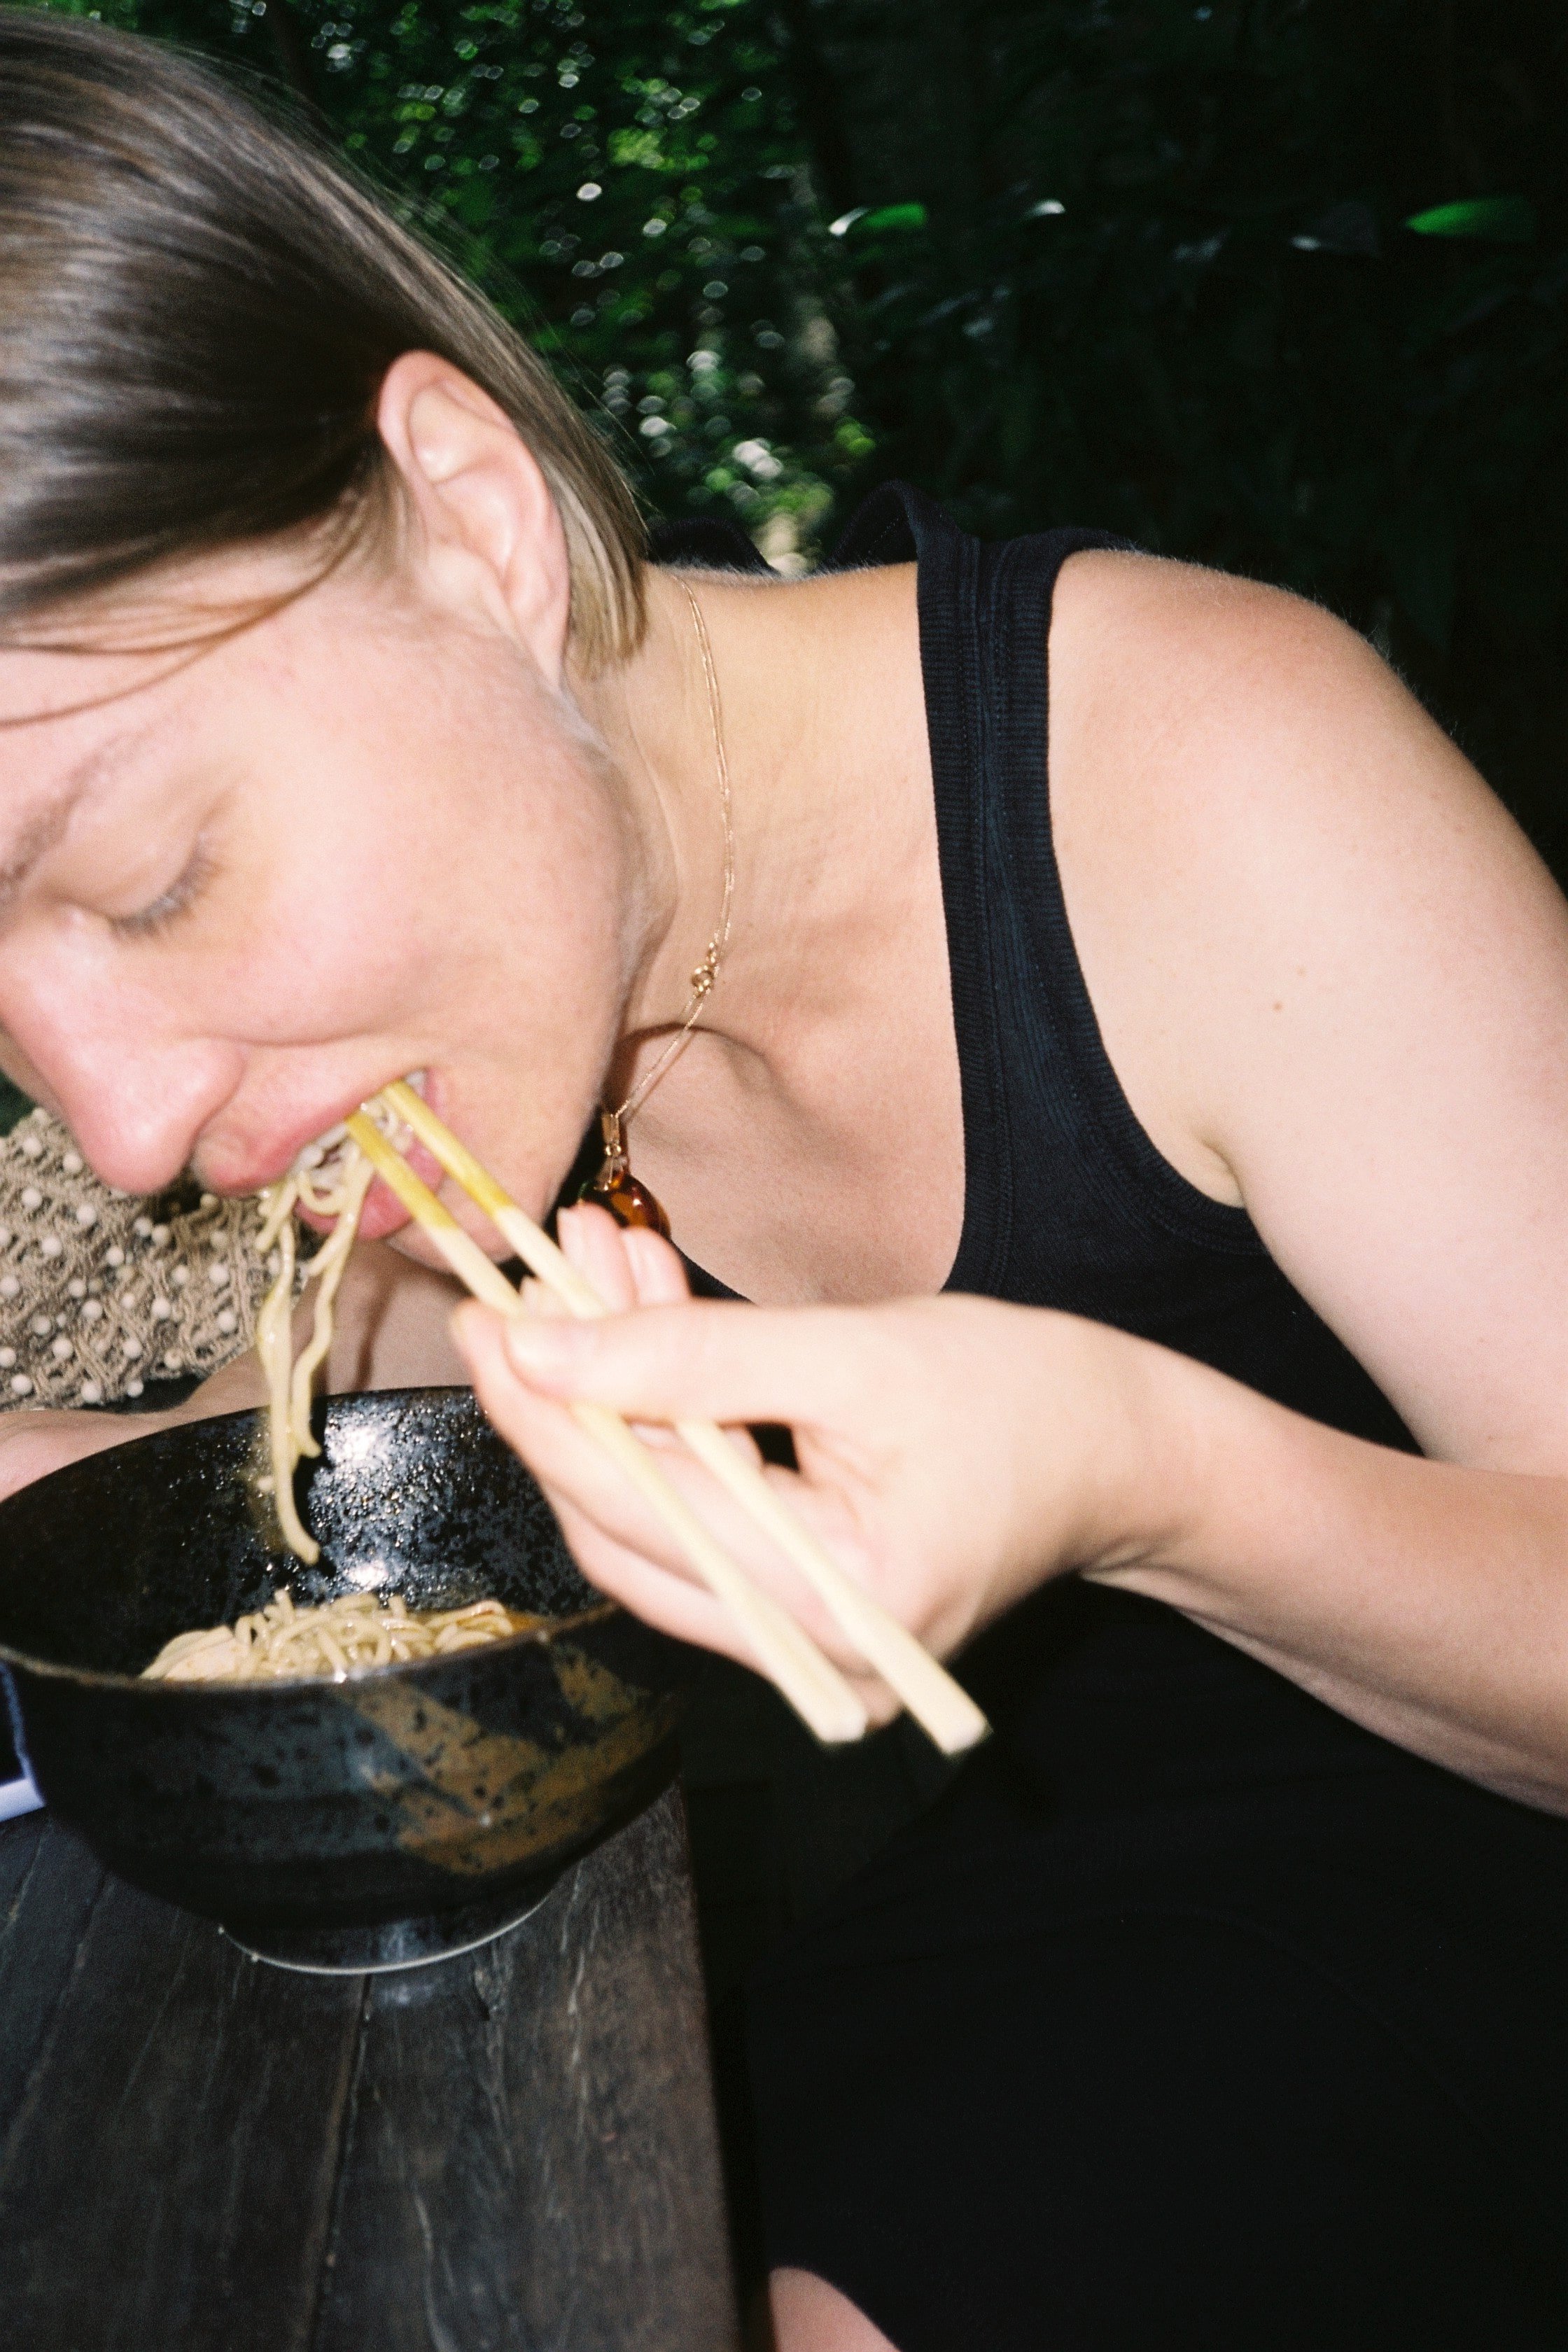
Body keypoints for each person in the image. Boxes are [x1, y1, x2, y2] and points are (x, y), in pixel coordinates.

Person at [1, 13, 1565, 2346]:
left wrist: (1131, 1471)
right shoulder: (471, 1057)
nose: (119, 1132)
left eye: (152, 879)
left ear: (474, 521)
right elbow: (310, 1511)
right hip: (1013, 1913)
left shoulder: (1201, 774)